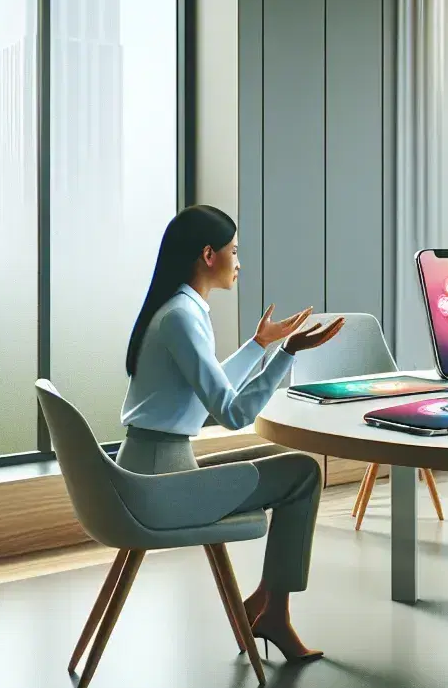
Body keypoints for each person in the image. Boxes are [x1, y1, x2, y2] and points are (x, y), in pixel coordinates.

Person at [119, 205, 345, 662]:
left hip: (155, 466)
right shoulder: (183, 317)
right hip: (162, 486)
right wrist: (286, 355)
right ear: (208, 255)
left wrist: (261, 345)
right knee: (302, 473)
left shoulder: (178, 308)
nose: (239, 263)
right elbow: (232, 412)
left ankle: (268, 605)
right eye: (234, 252)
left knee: (292, 469)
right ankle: (272, 610)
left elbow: (211, 387)